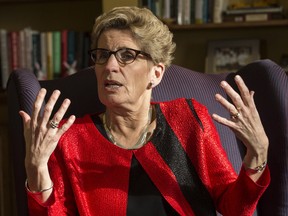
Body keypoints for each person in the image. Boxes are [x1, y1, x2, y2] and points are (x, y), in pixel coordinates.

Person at [20, 6, 270, 216]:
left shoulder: (188, 117)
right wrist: (36, 170)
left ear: (156, 73)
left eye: (126, 55)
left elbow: (235, 207)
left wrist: (257, 153)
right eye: (102, 55)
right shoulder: (69, 138)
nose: (109, 66)